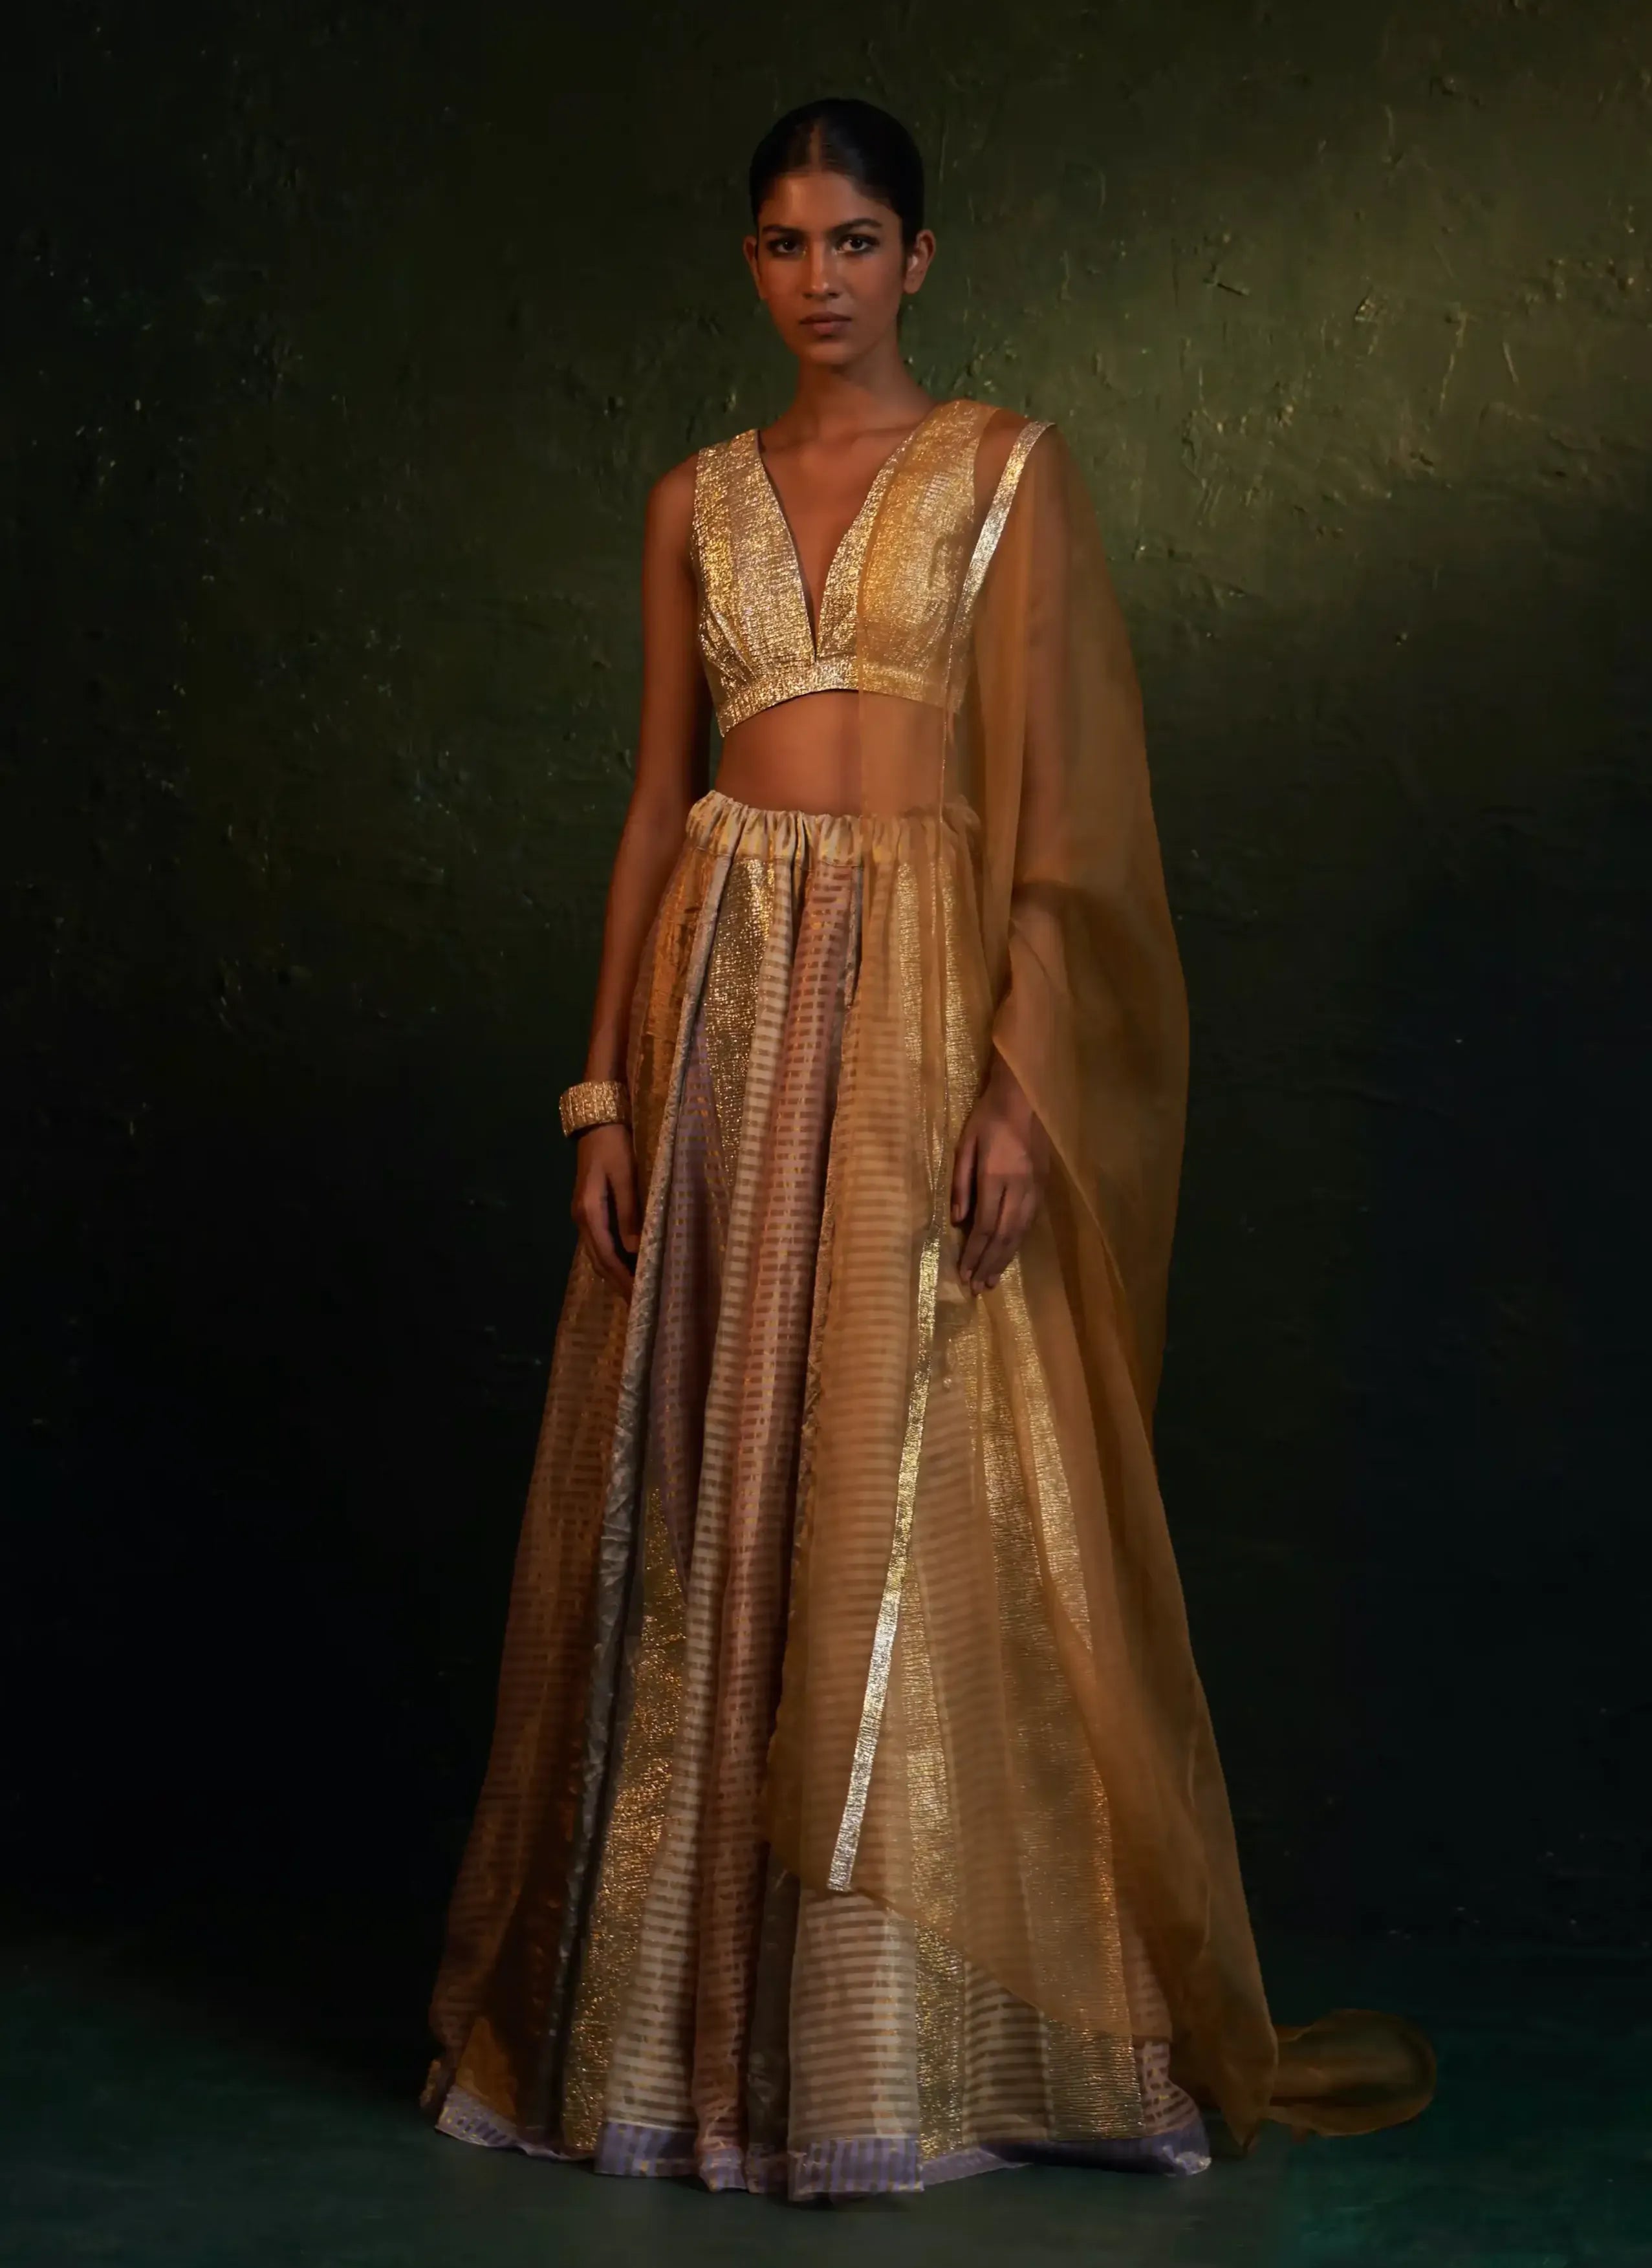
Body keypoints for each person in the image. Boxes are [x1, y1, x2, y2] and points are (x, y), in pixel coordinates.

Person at [421, 95, 1433, 2201]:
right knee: (709, 1475)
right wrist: (600, 1089)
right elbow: (651, 799)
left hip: (916, 1006)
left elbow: (1060, 811)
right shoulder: (690, 499)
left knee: (914, 1480)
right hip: (719, 995)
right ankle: (690, 2047)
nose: (821, 278)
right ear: (751, 263)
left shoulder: (1004, 472)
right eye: (786, 243)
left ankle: (917, 2041)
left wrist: (1017, 1079)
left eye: (856, 239)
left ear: (919, 257)